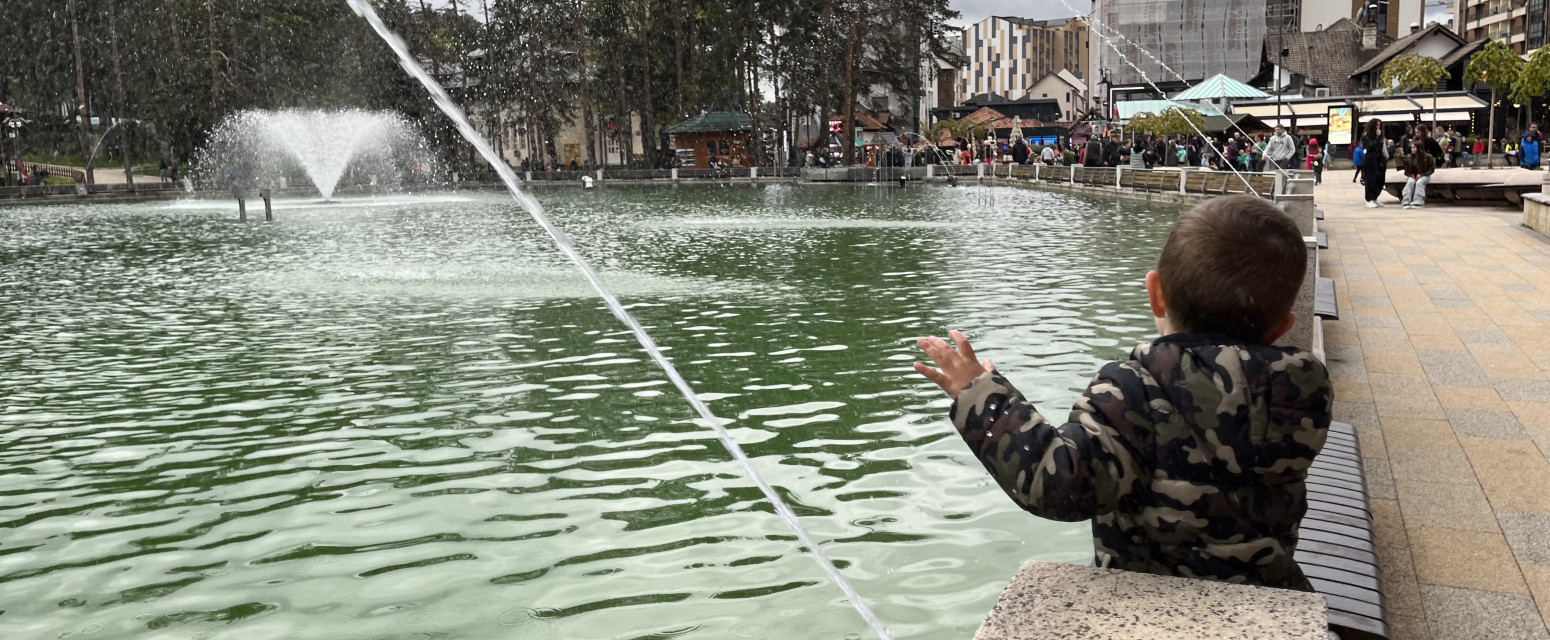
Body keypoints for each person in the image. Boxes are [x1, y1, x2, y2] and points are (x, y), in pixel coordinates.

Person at [914, 194, 1329, 591]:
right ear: (1281, 326)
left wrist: (981, 395)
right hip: (1267, 596)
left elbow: (1058, 484)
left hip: (1155, 601)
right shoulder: (1303, 389)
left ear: (1155, 293)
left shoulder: (1134, 387)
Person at [1400, 140, 1436, 210]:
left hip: (1424, 175)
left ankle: (1418, 201)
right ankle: (1406, 201)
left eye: (1414, 148)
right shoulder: (1408, 158)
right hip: (1412, 176)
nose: (1412, 149)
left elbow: (1431, 169)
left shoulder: (1428, 157)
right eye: (1411, 147)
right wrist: (1412, 175)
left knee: (1420, 182)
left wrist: (1422, 175)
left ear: (1419, 148)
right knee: (1410, 182)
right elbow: (1406, 171)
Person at [1360, 119, 1387, 207]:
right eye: (1377, 125)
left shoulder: (1380, 136)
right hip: (1371, 158)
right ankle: (1369, 198)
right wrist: (1377, 137)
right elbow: (1370, 146)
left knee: (1380, 179)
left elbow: (1381, 147)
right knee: (1371, 179)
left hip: (1379, 158)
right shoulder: (1367, 135)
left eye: (1379, 125)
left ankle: (1375, 197)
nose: (1378, 127)